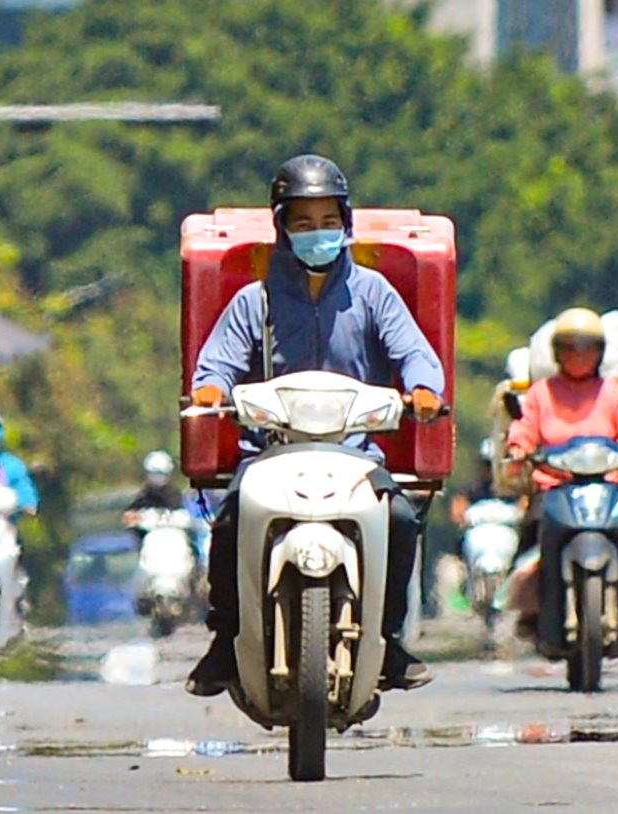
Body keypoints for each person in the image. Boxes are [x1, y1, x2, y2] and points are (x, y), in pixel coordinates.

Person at [184, 153, 446, 697]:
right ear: (281, 227)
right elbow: (214, 367)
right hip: (270, 454)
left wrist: (424, 390)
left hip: (355, 456)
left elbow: (418, 356)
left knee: (399, 519)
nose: (317, 233)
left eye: (328, 221)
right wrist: (210, 390)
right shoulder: (252, 301)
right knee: (230, 521)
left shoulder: (374, 294)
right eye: (303, 223)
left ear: (346, 224)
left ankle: (388, 640)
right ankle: (224, 639)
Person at [504, 307, 618, 646]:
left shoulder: (614, 394)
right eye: (570, 347)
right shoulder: (541, 394)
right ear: (557, 353)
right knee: (531, 529)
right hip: (555, 487)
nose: (578, 355)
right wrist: (519, 448)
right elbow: (524, 428)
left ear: (600, 353)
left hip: (609, 488)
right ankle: (531, 611)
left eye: (586, 347)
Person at [125, 450, 184, 515]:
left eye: (160, 474)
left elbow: (182, 514)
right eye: (153, 474)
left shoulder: (174, 494)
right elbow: (131, 512)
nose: (157, 478)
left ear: (168, 475)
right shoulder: (144, 494)